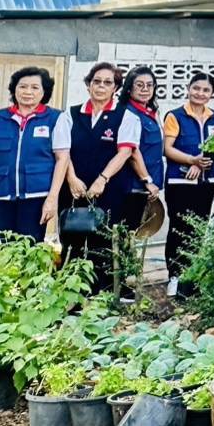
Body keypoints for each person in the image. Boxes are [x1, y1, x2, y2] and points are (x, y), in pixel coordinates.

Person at [54, 62, 134, 293]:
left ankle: (104, 295)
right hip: (73, 187)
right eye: (96, 81)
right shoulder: (70, 115)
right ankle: (72, 294)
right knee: (72, 239)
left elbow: (125, 152)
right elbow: (62, 151)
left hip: (110, 188)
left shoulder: (125, 117)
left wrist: (102, 179)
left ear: (115, 88)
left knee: (105, 242)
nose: (101, 86)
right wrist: (71, 178)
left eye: (107, 82)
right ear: (88, 85)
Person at [0, 66, 68, 241]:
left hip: (36, 197)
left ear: (44, 92)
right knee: (2, 248)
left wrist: (52, 198)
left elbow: (62, 159)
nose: (27, 92)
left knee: (30, 248)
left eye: (34, 87)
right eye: (22, 86)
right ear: (14, 89)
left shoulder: (55, 118)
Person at [162, 71, 214, 296]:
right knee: (179, 228)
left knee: (198, 229)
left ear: (212, 93)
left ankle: (191, 277)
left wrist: (202, 164)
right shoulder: (175, 116)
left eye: (206, 90)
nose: (200, 93)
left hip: (206, 182)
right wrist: (191, 160)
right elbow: (168, 148)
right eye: (197, 88)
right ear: (188, 89)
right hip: (180, 180)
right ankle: (175, 276)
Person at [117, 66, 165, 233]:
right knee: (126, 234)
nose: (145, 89)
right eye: (139, 85)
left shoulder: (150, 112)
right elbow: (132, 152)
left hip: (145, 186)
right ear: (129, 88)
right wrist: (147, 180)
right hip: (133, 185)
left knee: (134, 234)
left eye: (149, 85)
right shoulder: (129, 114)